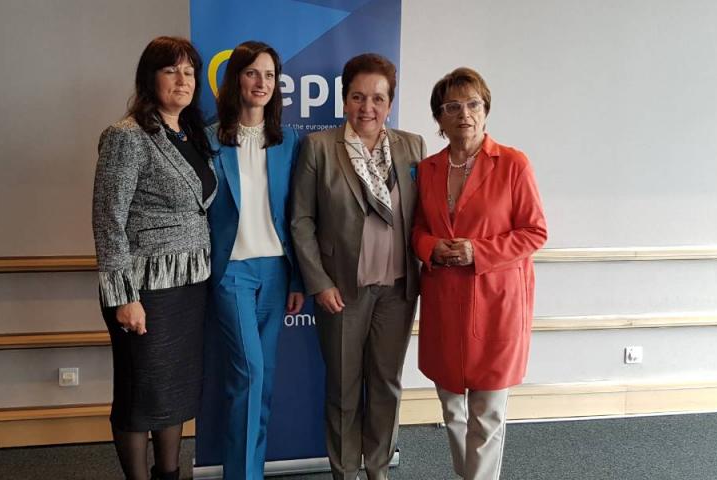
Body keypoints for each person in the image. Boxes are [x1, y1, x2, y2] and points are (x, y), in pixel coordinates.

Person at [291, 53, 425, 480]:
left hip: (397, 291)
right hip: (342, 291)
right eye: (358, 97)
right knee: (344, 388)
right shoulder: (318, 147)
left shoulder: (412, 146)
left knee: (386, 384)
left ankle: (379, 467)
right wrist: (319, 281)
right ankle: (345, 471)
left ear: (390, 103)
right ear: (344, 99)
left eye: (378, 98)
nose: (368, 107)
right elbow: (301, 220)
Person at [412, 67, 547, 480]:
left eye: (473, 104)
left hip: (495, 303)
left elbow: (535, 231)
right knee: (452, 408)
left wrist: (478, 251)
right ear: (439, 118)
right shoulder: (428, 169)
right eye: (452, 107)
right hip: (444, 301)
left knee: (487, 414)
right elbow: (416, 229)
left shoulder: (513, 164)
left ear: (486, 110)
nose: (464, 114)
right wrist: (431, 248)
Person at [91, 36, 216, 480]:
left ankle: (169, 474)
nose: (183, 80)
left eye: (189, 72)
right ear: (150, 78)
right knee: (139, 395)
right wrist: (125, 297)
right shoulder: (127, 136)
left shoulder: (192, 135)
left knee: (173, 392)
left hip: (188, 285)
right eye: (171, 70)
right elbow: (108, 219)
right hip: (144, 289)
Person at [205, 40, 305, 480]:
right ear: (236, 80)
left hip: (276, 273)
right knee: (249, 375)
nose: (261, 82)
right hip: (232, 273)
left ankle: (250, 472)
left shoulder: (289, 141)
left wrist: (297, 279)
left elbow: (297, 215)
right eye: (252, 73)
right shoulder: (209, 140)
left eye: (269, 75)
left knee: (260, 384)